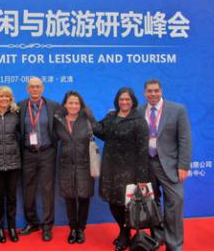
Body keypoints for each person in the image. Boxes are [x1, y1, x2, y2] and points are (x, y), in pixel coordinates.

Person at [138, 79, 192, 251]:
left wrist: (183, 165)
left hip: (170, 166)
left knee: (175, 203)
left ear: (161, 91)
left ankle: (174, 244)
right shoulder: (138, 111)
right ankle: (158, 237)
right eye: (149, 91)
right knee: (151, 204)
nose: (153, 94)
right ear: (144, 93)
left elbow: (185, 139)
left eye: (156, 90)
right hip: (146, 164)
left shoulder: (177, 110)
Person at [93, 87, 149, 251]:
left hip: (129, 170)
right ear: (117, 101)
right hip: (110, 167)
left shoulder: (139, 121)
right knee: (113, 202)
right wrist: (86, 114)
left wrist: (142, 177)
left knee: (127, 205)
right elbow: (100, 132)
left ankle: (125, 234)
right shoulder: (111, 116)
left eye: (127, 100)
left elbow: (143, 150)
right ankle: (123, 231)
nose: (124, 102)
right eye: (121, 100)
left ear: (133, 102)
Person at [18, 77, 59, 241]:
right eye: (32, 87)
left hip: (47, 152)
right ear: (27, 89)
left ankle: (47, 226)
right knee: (28, 189)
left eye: (38, 87)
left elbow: (64, 122)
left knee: (48, 190)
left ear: (42, 89)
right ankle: (32, 222)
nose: (35, 89)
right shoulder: (20, 106)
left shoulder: (53, 105)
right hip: (28, 153)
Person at [53, 91, 95, 244]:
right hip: (66, 166)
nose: (73, 106)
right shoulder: (58, 121)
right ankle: (73, 228)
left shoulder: (88, 120)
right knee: (69, 199)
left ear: (80, 105)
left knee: (84, 198)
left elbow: (102, 132)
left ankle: (81, 229)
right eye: (70, 103)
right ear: (65, 104)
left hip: (85, 165)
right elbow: (51, 139)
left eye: (76, 103)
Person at [0, 86, 21, 243]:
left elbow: (20, 137)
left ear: (11, 98)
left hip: (13, 164)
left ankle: (12, 227)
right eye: (1, 96)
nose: (4, 99)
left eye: (7, 96)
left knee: (12, 198)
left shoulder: (16, 114)